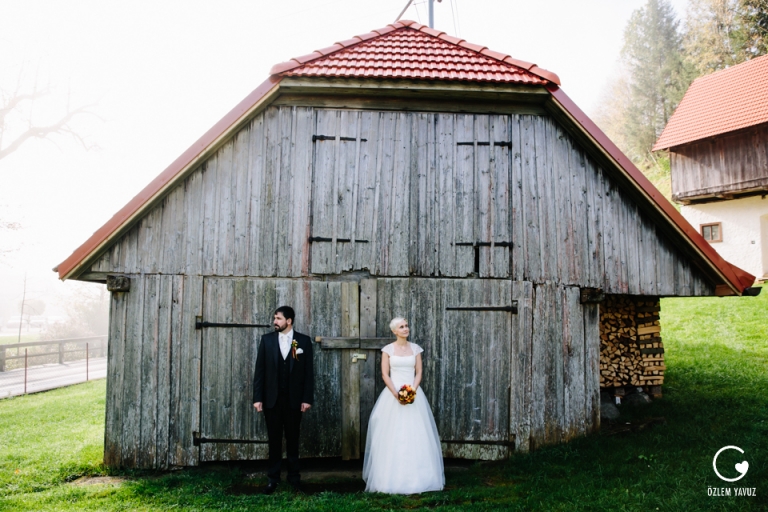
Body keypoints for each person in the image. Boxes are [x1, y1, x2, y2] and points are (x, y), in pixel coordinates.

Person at [362, 317, 445, 494]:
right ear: (394, 331)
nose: (406, 329)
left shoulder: (415, 349)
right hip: (393, 394)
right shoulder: (387, 350)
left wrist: (412, 391)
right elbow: (385, 374)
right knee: (391, 435)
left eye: (407, 326)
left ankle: (421, 478)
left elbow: (419, 371)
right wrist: (397, 394)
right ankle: (388, 479)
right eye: (402, 327)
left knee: (416, 434)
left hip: (413, 394)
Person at [253, 306, 314, 494]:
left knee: (293, 439)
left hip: (295, 401)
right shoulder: (267, 340)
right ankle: (273, 479)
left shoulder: (303, 341)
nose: (275, 322)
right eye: (274, 318)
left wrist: (307, 398)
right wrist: (258, 398)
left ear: (289, 321)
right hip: (272, 401)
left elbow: (308, 373)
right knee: (274, 440)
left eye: (278, 318)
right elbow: (260, 371)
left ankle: (294, 479)